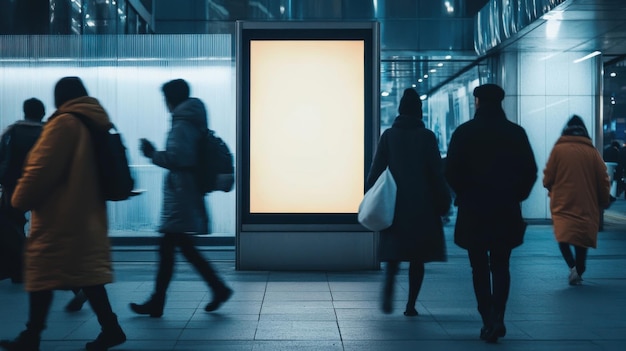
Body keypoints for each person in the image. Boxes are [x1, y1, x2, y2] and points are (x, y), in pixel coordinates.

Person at [0, 77, 126, 351]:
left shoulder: (64, 124)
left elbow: (40, 168)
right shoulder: (96, 123)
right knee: (84, 276)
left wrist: (18, 199)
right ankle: (109, 329)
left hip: (61, 216)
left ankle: (32, 337)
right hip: (87, 214)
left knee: (42, 274)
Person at [130, 79, 232, 318]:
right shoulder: (193, 121)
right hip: (185, 193)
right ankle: (215, 289)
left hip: (181, 194)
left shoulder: (182, 124)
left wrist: (152, 153)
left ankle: (163, 300)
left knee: (171, 247)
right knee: (179, 248)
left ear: (171, 99)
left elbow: (179, 159)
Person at [445, 83, 537, 343]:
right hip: (505, 209)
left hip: (474, 209)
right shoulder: (515, 133)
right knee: (501, 264)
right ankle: (499, 315)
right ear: (500, 103)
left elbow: (450, 171)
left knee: (478, 267)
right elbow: (530, 171)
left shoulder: (464, 133)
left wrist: (464, 193)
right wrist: (515, 195)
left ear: (477, 103)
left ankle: (487, 318)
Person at [367, 88, 451, 316]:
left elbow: (375, 173)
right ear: (419, 112)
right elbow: (436, 174)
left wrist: (370, 194)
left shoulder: (389, 136)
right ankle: (411, 304)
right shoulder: (427, 137)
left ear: (400, 110)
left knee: (394, 253)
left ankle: (388, 288)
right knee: (417, 258)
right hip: (422, 206)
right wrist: (444, 203)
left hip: (394, 205)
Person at [543, 115, 611, 286]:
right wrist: (603, 200)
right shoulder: (592, 152)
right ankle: (579, 269)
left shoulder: (558, 150)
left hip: (562, 202)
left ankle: (572, 266)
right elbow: (603, 179)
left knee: (563, 236)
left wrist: (550, 186)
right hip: (586, 203)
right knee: (582, 237)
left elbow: (548, 176)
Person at [0, 98, 45, 284]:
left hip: (14, 187)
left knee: (12, 226)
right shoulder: (49, 132)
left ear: (25, 112)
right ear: (41, 113)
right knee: (45, 227)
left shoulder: (12, 131)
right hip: (44, 187)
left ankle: (18, 269)